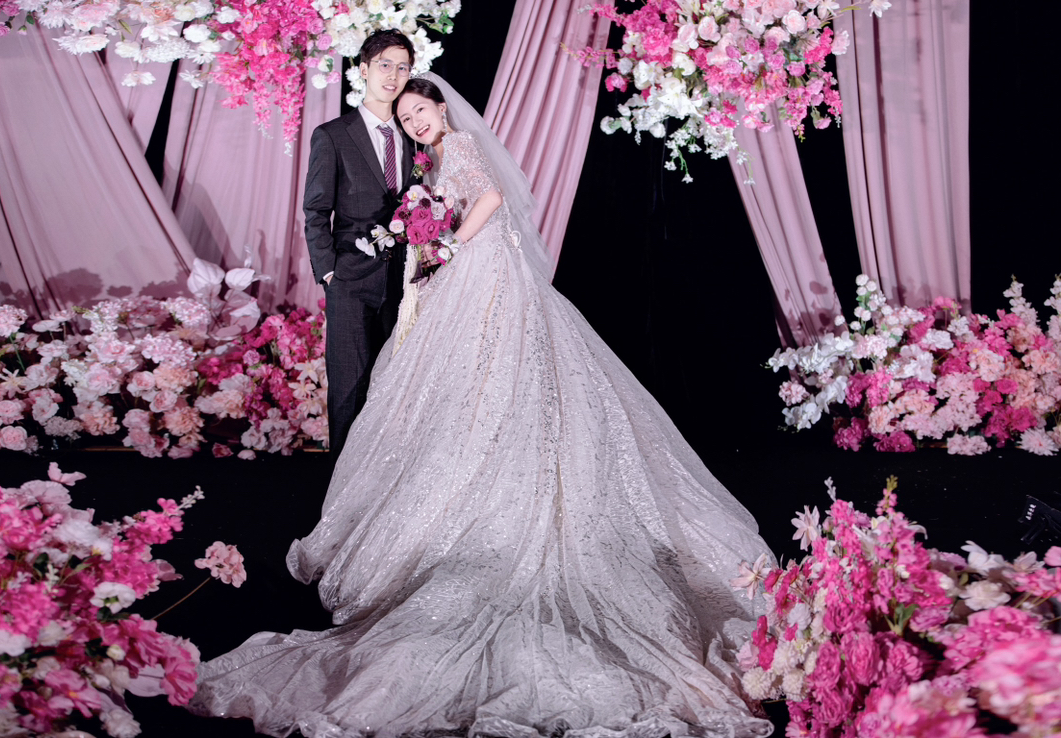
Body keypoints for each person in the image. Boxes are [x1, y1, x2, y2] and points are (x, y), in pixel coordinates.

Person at [192, 74, 775, 738]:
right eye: (406, 117)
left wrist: (448, 243)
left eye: (421, 109)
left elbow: (492, 196)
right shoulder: (431, 162)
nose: (415, 121)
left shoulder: (462, 146)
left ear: (441, 108)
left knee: (503, 375)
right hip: (460, 275)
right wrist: (429, 242)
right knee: (460, 388)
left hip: (488, 274)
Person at [303, 29, 418, 455]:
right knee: (349, 389)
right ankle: (340, 486)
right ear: (364, 70)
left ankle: (385, 481)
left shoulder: (414, 133)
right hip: (350, 279)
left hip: (406, 280)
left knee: (396, 387)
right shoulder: (333, 135)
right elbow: (316, 210)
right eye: (385, 65)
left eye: (403, 67)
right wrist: (330, 273)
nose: (393, 75)